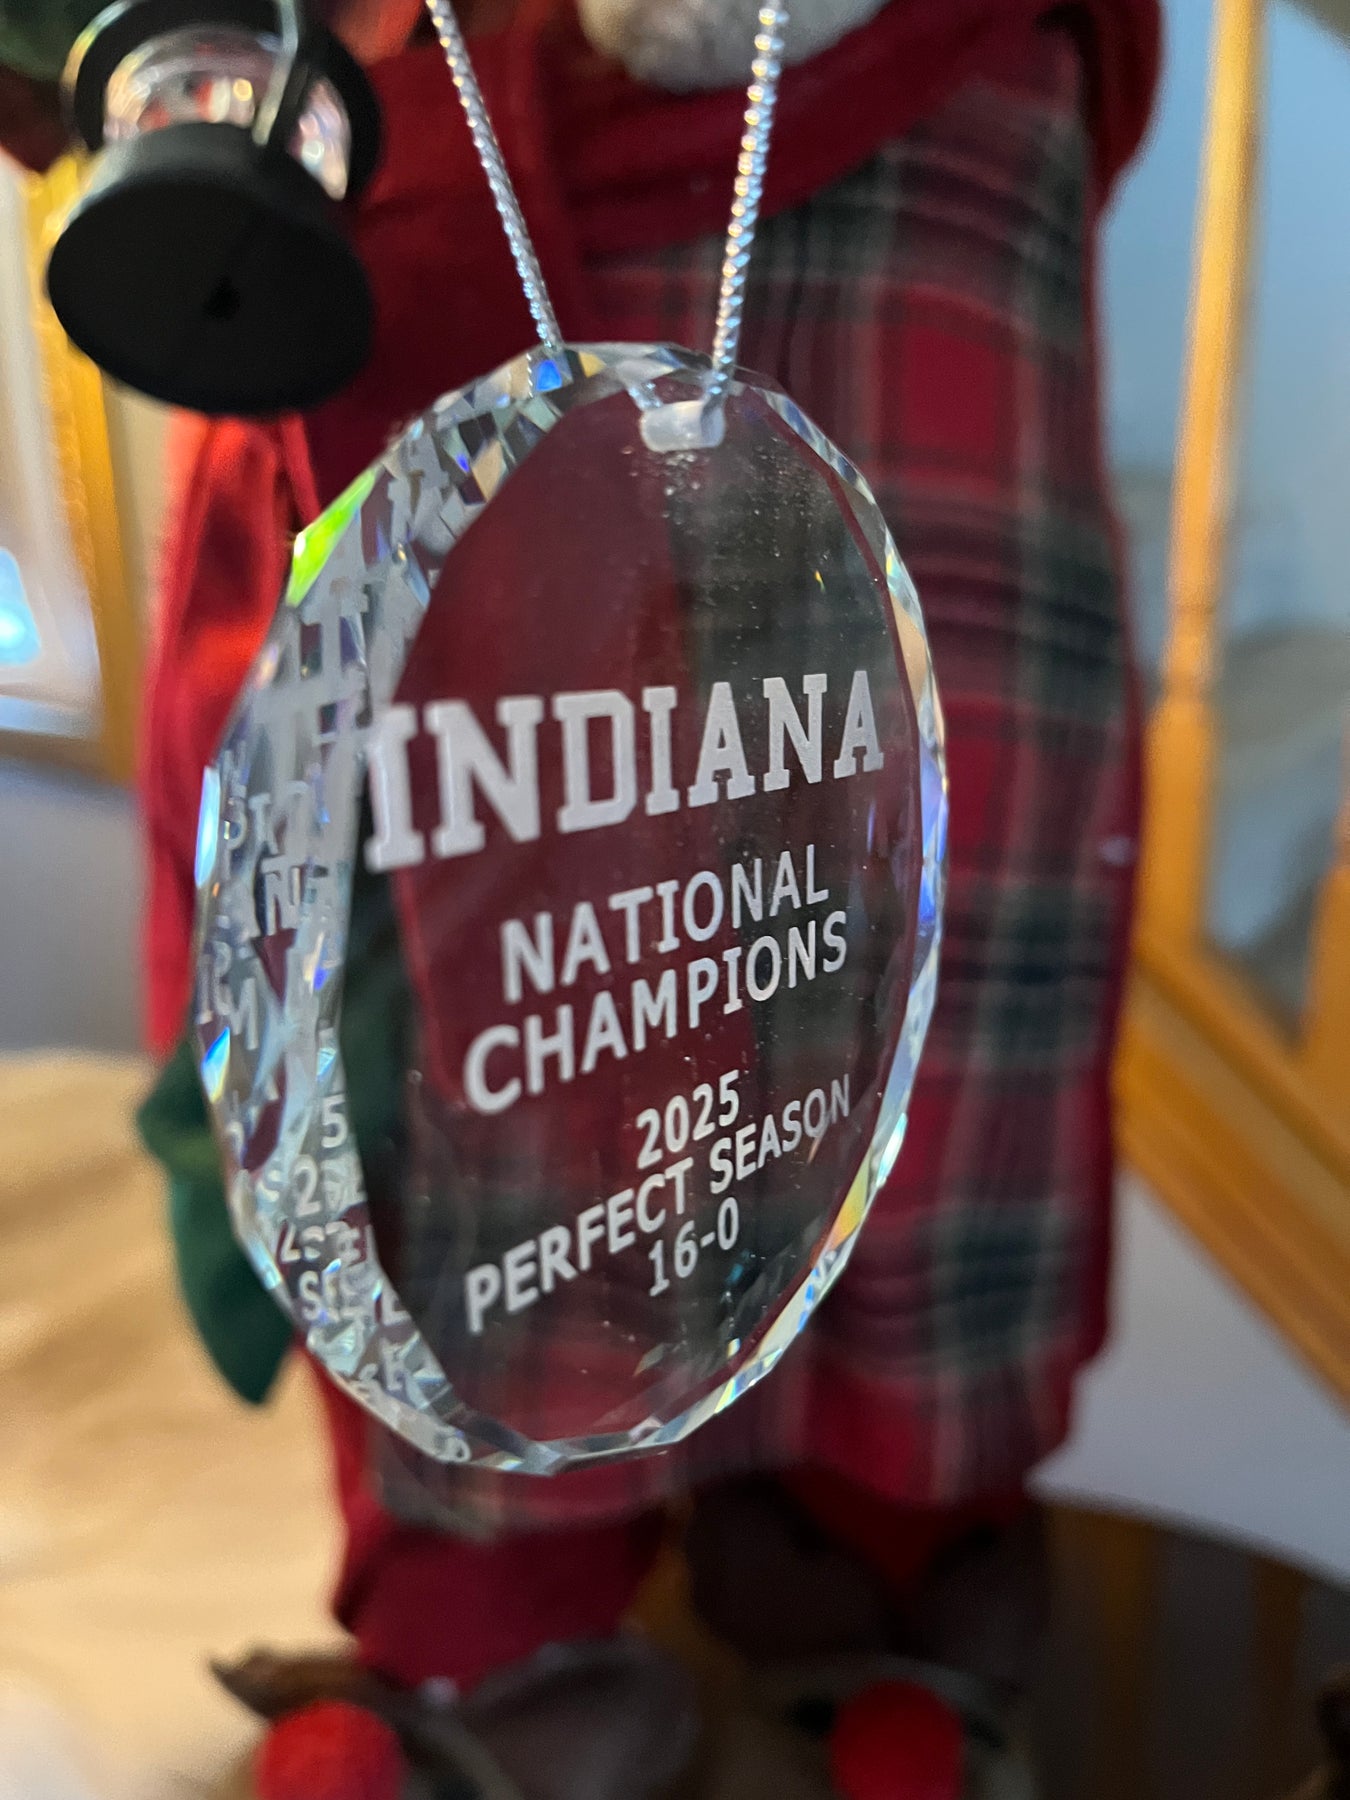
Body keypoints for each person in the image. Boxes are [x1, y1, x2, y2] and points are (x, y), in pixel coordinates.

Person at [3, 0, 1160, 1789]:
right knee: (437, 964)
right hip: (404, 164)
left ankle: (888, 1563)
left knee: (922, 901)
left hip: (924, 154)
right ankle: (495, 1627)